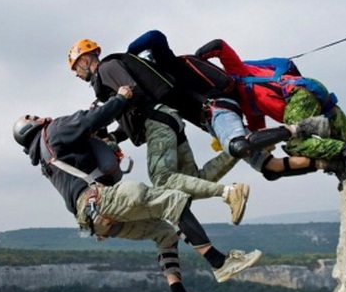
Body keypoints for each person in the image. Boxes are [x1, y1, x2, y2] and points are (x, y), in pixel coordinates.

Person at [12, 88, 262, 292]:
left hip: (93, 219)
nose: (41, 116)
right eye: (34, 116)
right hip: (103, 200)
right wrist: (120, 98)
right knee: (172, 200)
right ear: (31, 126)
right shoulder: (54, 130)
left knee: (164, 233)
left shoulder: (46, 158)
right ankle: (220, 263)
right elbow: (90, 118)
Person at [125, 30, 346, 182]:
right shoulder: (159, 91)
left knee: (237, 146)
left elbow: (155, 36)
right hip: (215, 122)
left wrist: (129, 55)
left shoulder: (170, 66)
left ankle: (304, 128)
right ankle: (333, 162)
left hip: (218, 111)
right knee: (269, 168)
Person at [68, 39, 250, 226]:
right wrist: (115, 135)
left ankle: (229, 193)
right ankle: (247, 145)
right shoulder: (108, 73)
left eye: (75, 67)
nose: (76, 74)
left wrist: (105, 112)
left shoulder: (106, 69)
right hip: (167, 119)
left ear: (84, 60)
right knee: (193, 181)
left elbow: (133, 94)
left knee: (162, 179)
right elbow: (132, 110)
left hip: (157, 123)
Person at [195, 39, 346, 170]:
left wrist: (196, 62)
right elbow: (258, 133)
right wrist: (257, 145)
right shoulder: (249, 108)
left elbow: (219, 46)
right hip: (313, 91)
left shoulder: (236, 73)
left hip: (297, 98)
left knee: (295, 145)